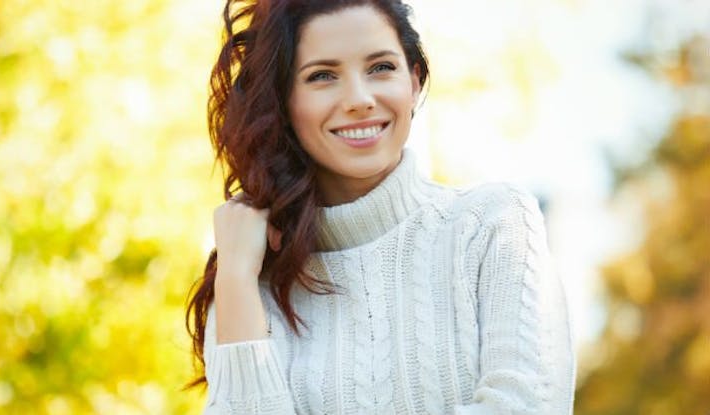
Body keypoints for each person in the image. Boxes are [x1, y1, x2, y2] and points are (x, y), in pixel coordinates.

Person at [185, 0, 576, 413]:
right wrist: (236, 279)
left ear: (414, 82)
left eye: (381, 67)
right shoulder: (248, 278)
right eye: (322, 76)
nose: (359, 99)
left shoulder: (494, 225)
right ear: (283, 103)